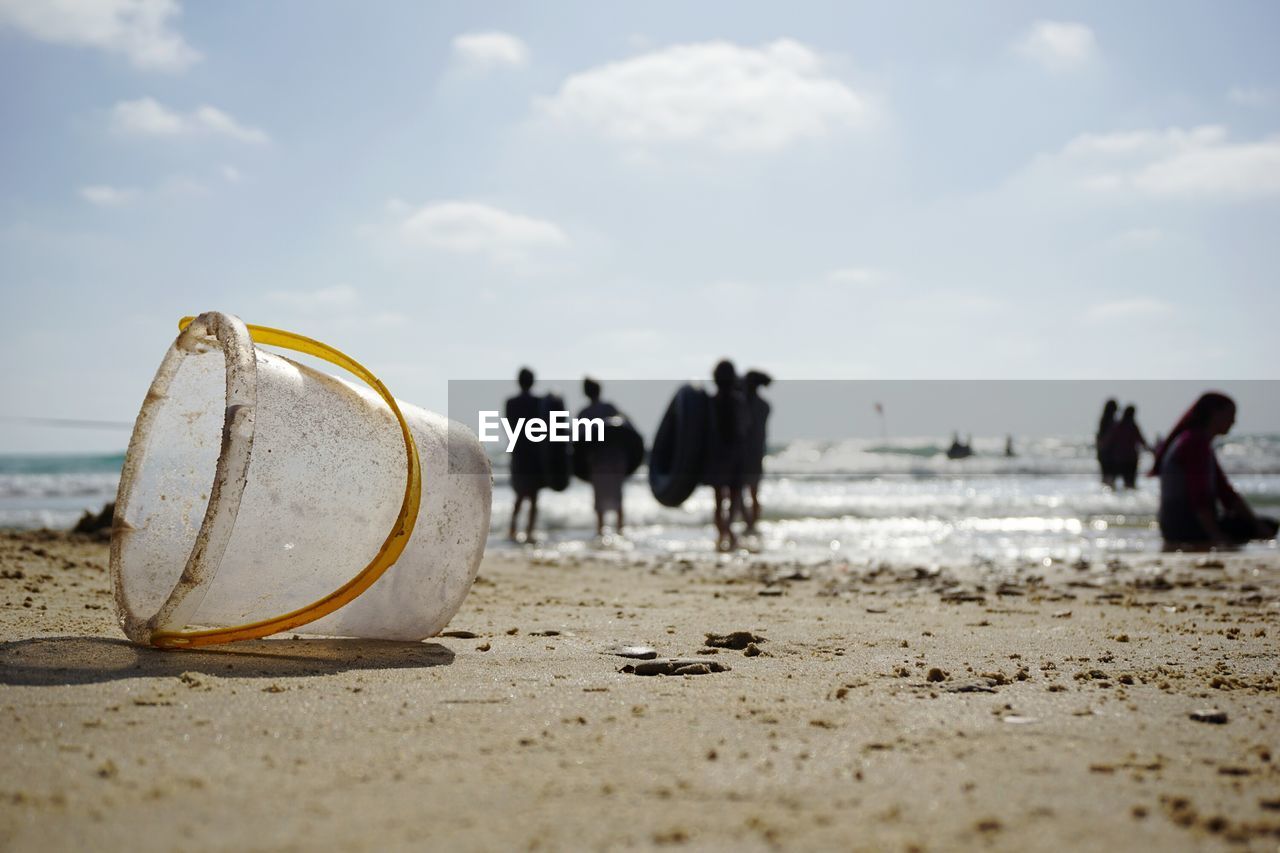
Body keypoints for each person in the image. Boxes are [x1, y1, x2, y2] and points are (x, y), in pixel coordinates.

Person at [1152, 392, 1278, 548]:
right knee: (1267, 526)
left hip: (1174, 525)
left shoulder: (1197, 440)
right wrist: (1216, 535)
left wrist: (1255, 522)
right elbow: (1199, 497)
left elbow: (1225, 493)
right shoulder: (1195, 442)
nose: (1234, 421)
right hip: (1184, 526)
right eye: (1231, 415)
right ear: (1215, 414)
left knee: (1260, 525)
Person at [704, 359, 750, 551]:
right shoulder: (738, 401)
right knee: (733, 499)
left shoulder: (710, 402)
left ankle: (722, 535)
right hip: (734, 454)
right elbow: (744, 428)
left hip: (715, 454)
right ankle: (729, 534)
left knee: (718, 500)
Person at [579, 377, 628, 537]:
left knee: (600, 502)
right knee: (618, 499)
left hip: (598, 462)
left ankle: (601, 532)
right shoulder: (610, 408)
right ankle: (620, 531)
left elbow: (578, 441)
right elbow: (627, 427)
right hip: (615, 460)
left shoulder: (584, 413)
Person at [505, 367, 542, 542]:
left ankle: (512, 529)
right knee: (534, 496)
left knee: (519, 494)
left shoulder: (511, 402)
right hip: (535, 452)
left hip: (518, 450)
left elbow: (510, 426)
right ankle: (529, 531)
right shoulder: (538, 402)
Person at [741, 370, 772, 536]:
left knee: (739, 492)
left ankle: (749, 524)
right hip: (757, 453)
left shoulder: (743, 405)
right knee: (754, 492)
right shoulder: (764, 406)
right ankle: (751, 524)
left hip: (744, 454)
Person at [1108, 405, 1150, 489]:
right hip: (1131, 458)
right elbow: (1141, 440)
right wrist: (1151, 450)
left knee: (1115, 482)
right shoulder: (1132, 426)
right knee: (1130, 483)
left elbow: (1111, 440)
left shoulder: (1118, 425)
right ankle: (1129, 497)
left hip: (1120, 458)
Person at [1096, 399, 1119, 488]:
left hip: (1104, 452)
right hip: (1109, 453)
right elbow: (1108, 437)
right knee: (1110, 476)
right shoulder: (1109, 421)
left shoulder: (1104, 420)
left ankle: (1106, 492)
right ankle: (1108, 492)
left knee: (1106, 475)